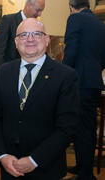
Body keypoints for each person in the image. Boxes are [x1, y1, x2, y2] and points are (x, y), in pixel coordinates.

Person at [0, 18, 80, 180]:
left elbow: (67, 127)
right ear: (16, 42)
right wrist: (2, 155)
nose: (30, 39)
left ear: (46, 39)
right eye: (23, 35)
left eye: (36, 34)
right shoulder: (3, 72)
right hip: (9, 166)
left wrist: (34, 160)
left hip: (46, 168)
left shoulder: (66, 76)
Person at [62, 0, 105, 180]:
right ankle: (82, 166)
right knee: (86, 127)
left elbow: (70, 51)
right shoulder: (100, 24)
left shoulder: (75, 19)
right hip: (94, 81)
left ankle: (85, 174)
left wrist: (61, 74)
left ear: (72, 7)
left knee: (82, 129)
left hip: (79, 82)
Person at [0, 0, 45, 65]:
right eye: (38, 10)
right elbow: (0, 50)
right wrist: (2, 71)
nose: (39, 14)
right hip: (11, 69)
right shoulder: (8, 20)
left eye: (41, 11)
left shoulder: (37, 25)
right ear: (28, 6)